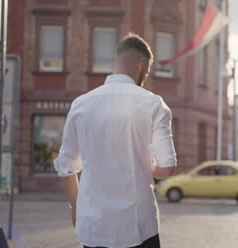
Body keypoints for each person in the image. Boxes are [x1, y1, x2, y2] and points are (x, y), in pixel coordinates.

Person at [54, 33, 177, 248]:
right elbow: (167, 168)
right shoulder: (154, 104)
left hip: (94, 226)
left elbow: (66, 168)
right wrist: (147, 165)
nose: (146, 75)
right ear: (141, 63)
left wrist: (76, 209)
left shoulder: (81, 104)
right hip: (138, 226)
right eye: (147, 70)